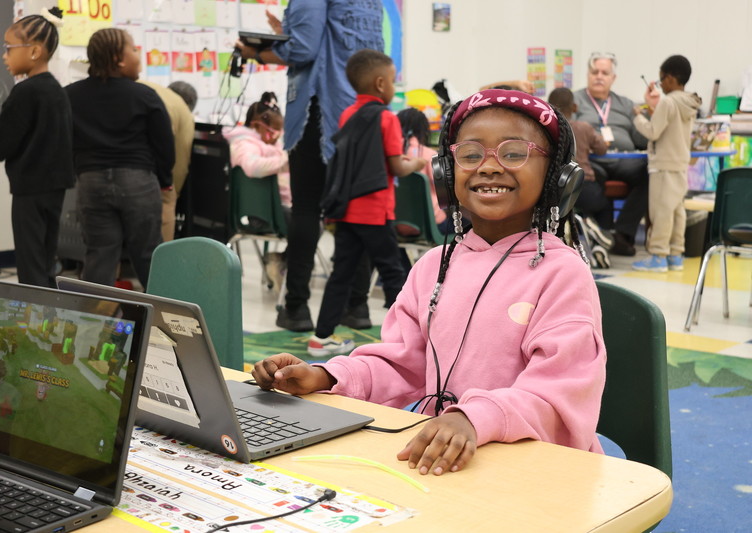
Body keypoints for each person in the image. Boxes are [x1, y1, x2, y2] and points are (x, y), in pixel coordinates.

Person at [252, 89, 606, 476]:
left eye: (514, 153)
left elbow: (558, 395)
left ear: (556, 178)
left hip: (532, 468)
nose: (488, 167)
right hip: (445, 455)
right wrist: (327, 375)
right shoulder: (435, 265)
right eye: (470, 155)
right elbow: (403, 363)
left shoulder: (563, 274)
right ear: (446, 174)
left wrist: (473, 418)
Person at [235, 1, 384, 332]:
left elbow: (303, 49)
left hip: (322, 111)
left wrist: (256, 53)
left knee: (306, 209)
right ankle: (357, 307)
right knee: (356, 211)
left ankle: (297, 308)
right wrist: (282, 35)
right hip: (363, 111)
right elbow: (341, 41)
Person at [308, 50, 425, 356]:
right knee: (393, 273)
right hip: (375, 211)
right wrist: (415, 163)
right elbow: (397, 167)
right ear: (380, 83)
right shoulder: (387, 118)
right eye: (393, 80)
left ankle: (321, 338)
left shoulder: (348, 114)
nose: (394, 85)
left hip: (348, 212)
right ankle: (406, 340)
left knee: (341, 274)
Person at [66, 28, 174, 290]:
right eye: (134, 49)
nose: (139, 55)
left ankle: (93, 326)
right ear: (119, 59)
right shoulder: (145, 95)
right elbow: (164, 145)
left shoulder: (69, 95)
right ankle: (163, 324)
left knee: (98, 257)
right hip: (137, 179)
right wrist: (165, 179)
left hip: (91, 181)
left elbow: (63, 141)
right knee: (149, 255)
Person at [0, 7, 73, 288]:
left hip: (30, 189)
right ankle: (48, 319)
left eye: (9, 48)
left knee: (30, 262)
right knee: (45, 259)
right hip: (55, 188)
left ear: (34, 52)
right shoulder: (57, 90)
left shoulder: (26, 92)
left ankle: (32, 322)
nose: (4, 56)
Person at [573, 52, 649, 256]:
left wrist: (649, 111)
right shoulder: (575, 100)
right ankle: (602, 237)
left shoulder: (625, 104)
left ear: (612, 78)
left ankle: (622, 235)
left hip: (625, 161)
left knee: (649, 174)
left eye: (604, 73)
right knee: (589, 179)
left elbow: (641, 139)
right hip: (593, 161)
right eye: (594, 72)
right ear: (588, 75)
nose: (599, 76)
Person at [631, 56, 701, 272]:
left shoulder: (668, 102)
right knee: (676, 211)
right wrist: (655, 108)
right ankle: (675, 254)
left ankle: (658, 255)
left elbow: (653, 131)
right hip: (680, 164)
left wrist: (639, 116)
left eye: (661, 80)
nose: (660, 85)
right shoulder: (688, 102)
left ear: (670, 78)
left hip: (662, 165)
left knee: (661, 212)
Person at [223, 92, 291, 292]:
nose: (277, 135)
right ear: (257, 125)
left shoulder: (272, 145)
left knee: (310, 223)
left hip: (277, 208)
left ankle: (281, 260)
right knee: (308, 227)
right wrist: (284, 162)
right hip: (261, 213)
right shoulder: (243, 144)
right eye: (274, 130)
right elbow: (252, 167)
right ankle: (281, 262)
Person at [548, 87, 611, 268]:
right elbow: (602, 149)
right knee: (604, 205)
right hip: (584, 187)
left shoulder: (548, 130)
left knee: (569, 211)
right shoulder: (584, 127)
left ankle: (573, 242)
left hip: (557, 190)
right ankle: (600, 241)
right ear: (575, 107)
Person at [138, 80, 197, 242]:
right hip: (148, 176)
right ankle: (163, 262)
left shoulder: (146, 88)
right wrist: (172, 192)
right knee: (166, 202)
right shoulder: (182, 110)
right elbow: (180, 160)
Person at [397, 108, 449, 234]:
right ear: (424, 130)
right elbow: (446, 190)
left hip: (395, 226)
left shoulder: (390, 156)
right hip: (430, 226)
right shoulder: (431, 155)